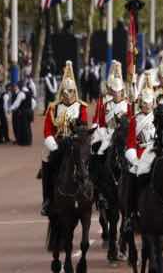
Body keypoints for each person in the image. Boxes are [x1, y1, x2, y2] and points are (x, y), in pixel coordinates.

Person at [124, 75, 163, 232]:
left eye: (149, 103)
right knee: (133, 177)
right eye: (143, 103)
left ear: (153, 103)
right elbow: (130, 142)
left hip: (158, 150)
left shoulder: (160, 116)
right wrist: (134, 159)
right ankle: (131, 214)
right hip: (141, 154)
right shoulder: (134, 120)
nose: (146, 106)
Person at [41, 61, 89, 216]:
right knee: (48, 166)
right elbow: (48, 130)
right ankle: (47, 199)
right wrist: (53, 145)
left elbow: (83, 128)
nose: (68, 96)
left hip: (76, 143)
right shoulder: (53, 108)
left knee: (91, 163)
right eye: (65, 92)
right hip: (60, 143)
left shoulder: (81, 107)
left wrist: (78, 140)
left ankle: (94, 195)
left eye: (71, 92)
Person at [92, 61, 129, 158]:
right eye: (113, 91)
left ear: (121, 91)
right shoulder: (105, 104)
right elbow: (101, 122)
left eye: (118, 91)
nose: (116, 94)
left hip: (123, 135)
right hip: (108, 133)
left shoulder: (127, 105)